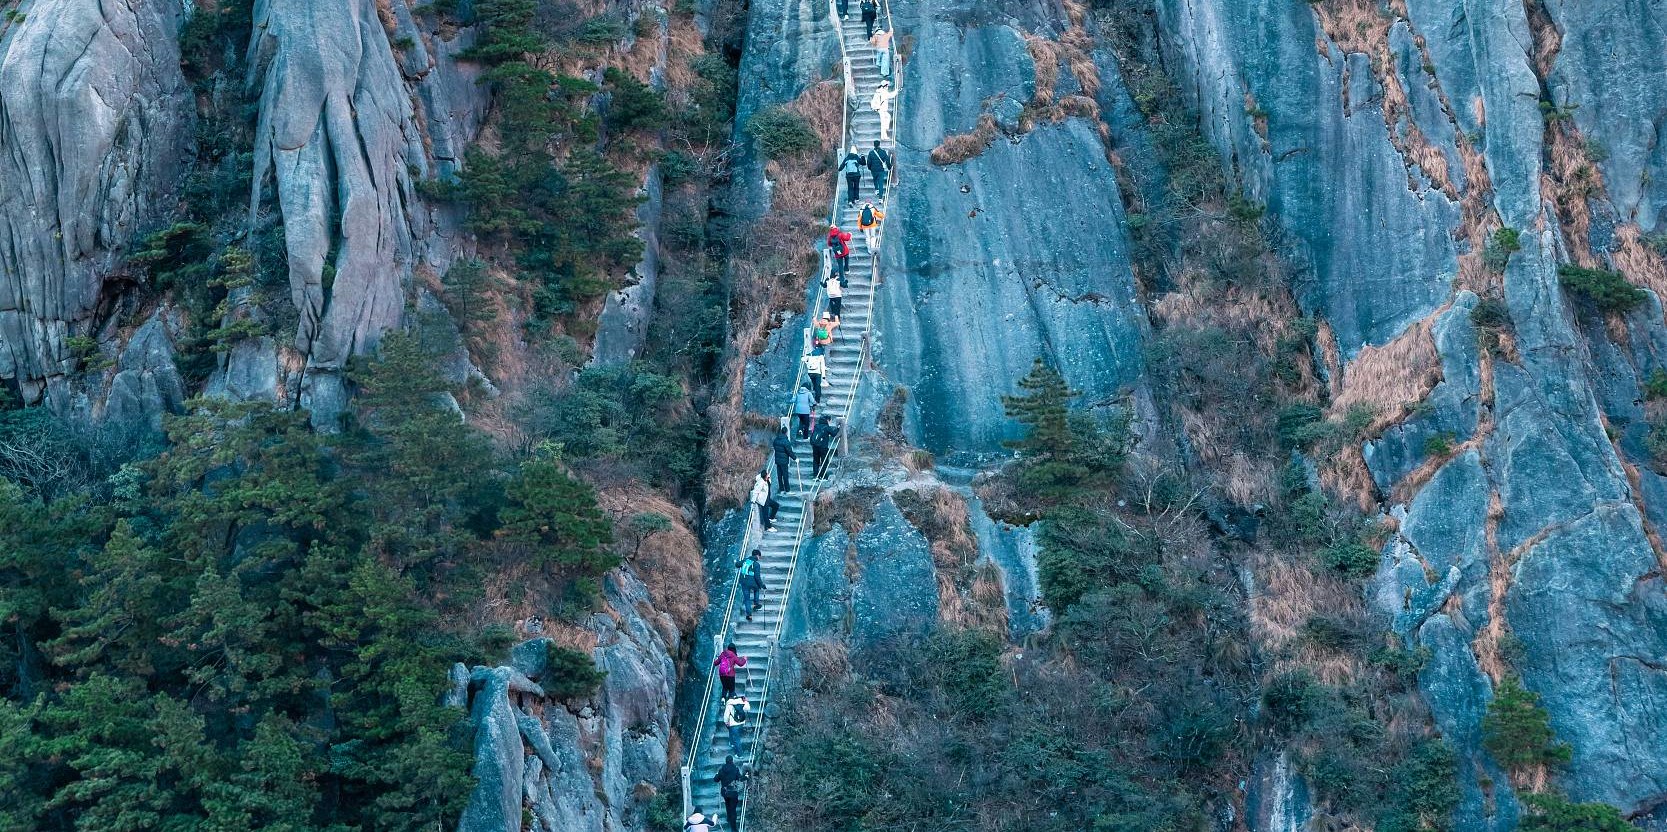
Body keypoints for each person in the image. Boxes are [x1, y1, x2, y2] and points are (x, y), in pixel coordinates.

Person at [716, 756, 746, 832]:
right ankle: (734, 829)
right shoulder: (735, 769)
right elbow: (739, 778)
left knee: (727, 803)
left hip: (725, 792)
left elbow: (715, 779)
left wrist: (717, 774)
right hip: (733, 792)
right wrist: (746, 776)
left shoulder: (721, 769)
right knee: (733, 809)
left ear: (726, 761)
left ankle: (728, 817)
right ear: (732, 761)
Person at [737, 549, 766, 619]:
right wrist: (762, 585)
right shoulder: (756, 564)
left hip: (744, 582)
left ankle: (749, 615)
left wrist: (743, 562)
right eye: (759, 557)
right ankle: (756, 604)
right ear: (757, 555)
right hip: (753, 583)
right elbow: (757, 577)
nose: (759, 558)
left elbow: (737, 564)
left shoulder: (745, 560)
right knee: (757, 589)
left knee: (747, 599)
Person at [771, 427, 795, 492]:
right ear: (786, 432)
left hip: (778, 460)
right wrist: (795, 458)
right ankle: (787, 490)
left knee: (779, 475)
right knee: (785, 476)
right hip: (784, 461)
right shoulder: (786, 441)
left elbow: (774, 446)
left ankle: (781, 489)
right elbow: (789, 451)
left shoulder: (776, 439)